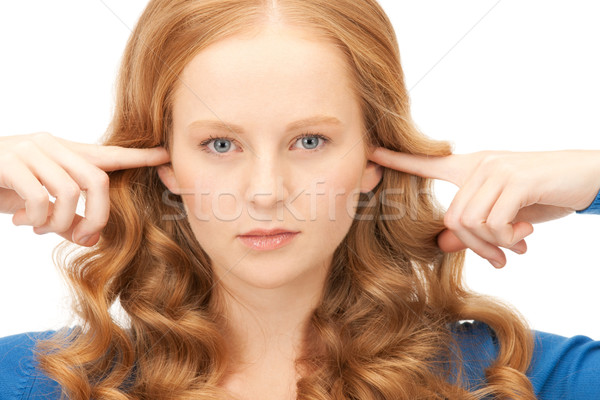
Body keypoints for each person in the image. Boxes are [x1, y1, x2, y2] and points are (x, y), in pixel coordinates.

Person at [0, 0, 599, 399]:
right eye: (219, 143)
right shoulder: (45, 379)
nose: (266, 192)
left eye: (309, 140)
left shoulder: (516, 377)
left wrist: (590, 177)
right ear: (167, 162)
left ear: (373, 156)